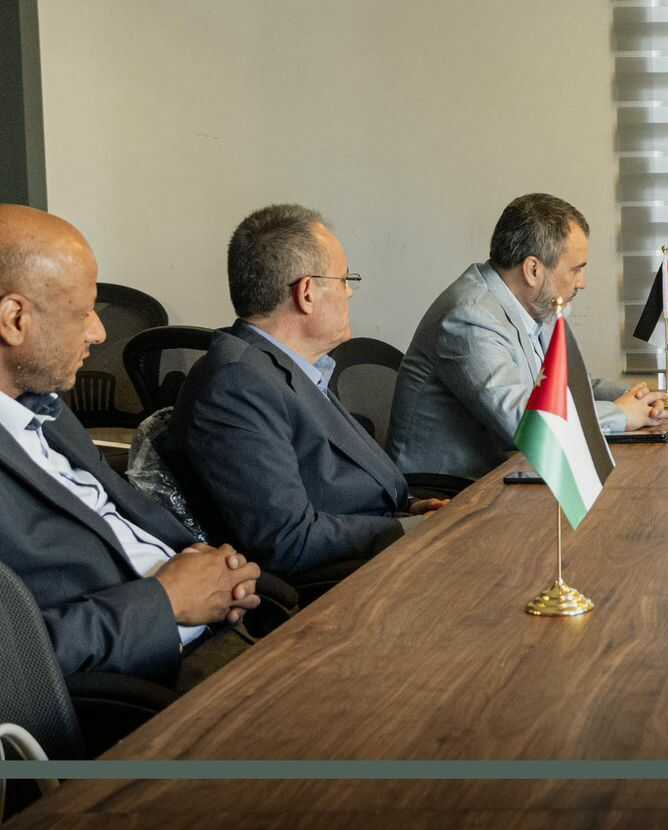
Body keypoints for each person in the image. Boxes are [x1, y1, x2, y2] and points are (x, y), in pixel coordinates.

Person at [0, 204, 262, 688]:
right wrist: (166, 601)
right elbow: (15, 667)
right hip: (148, 688)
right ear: (14, 318)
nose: (99, 333)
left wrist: (217, 572)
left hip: (219, 629)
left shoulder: (46, 409)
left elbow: (124, 521)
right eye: (84, 313)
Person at [172, 204, 445, 580]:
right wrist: (405, 529)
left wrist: (412, 508)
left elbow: (342, 482)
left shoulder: (287, 367)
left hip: (382, 548)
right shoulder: (236, 384)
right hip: (348, 583)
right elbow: (287, 539)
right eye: (345, 280)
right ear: (307, 293)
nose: (349, 293)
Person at [389, 193, 666, 480]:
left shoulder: (536, 304)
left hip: (509, 472)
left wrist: (636, 399)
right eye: (576, 270)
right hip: (451, 491)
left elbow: (569, 387)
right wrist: (619, 414)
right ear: (533, 270)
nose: (582, 283)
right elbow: (524, 423)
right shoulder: (470, 318)